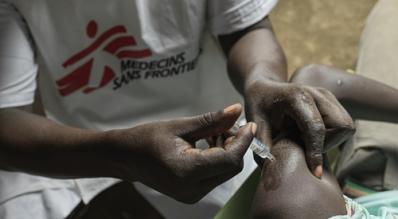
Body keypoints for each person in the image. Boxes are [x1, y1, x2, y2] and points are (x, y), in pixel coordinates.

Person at [0, 0, 354, 218]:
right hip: (81, 153)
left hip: (227, 140)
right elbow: (6, 121)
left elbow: (247, 27)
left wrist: (262, 81)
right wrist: (118, 157)